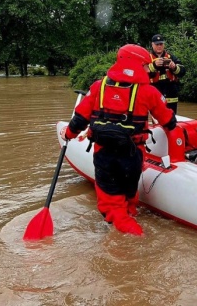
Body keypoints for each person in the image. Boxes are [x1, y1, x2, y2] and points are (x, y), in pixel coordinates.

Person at [60, 44, 177, 236]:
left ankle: (131, 236)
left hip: (104, 155)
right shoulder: (149, 92)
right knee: (130, 196)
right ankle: (131, 215)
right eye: (146, 66)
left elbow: (80, 119)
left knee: (112, 207)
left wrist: (68, 134)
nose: (148, 70)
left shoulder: (98, 87)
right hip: (133, 157)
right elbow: (169, 121)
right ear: (137, 64)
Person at [148, 34, 185, 114]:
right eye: (157, 44)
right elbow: (142, 73)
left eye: (161, 44)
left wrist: (174, 67)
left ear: (164, 44)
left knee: (172, 120)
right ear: (152, 44)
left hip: (171, 96)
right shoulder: (147, 58)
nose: (159, 46)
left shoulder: (171, 57)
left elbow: (183, 71)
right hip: (155, 94)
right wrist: (154, 65)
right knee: (156, 119)